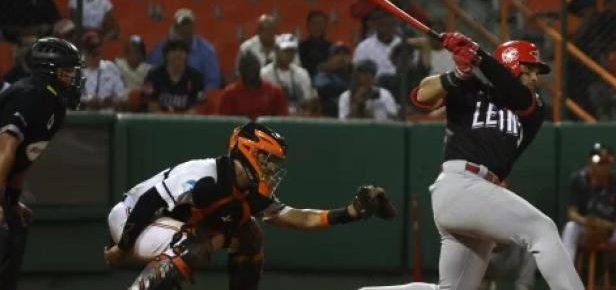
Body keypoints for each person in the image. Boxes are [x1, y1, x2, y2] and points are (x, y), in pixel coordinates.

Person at [359, 36, 585, 290]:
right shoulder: (469, 86)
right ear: (510, 64)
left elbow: (515, 94)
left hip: (480, 192)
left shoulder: (533, 106)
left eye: (536, 72)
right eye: (528, 69)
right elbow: (421, 96)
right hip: (460, 183)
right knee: (542, 229)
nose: (534, 78)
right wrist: (457, 74)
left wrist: (478, 55)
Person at [103, 122, 396, 289]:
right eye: (268, 161)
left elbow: (298, 218)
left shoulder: (251, 191)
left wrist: (350, 213)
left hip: (171, 229)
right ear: (248, 154)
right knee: (194, 245)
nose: (271, 170)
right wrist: (122, 247)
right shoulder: (204, 173)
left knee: (250, 233)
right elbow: (148, 202)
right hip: (132, 218)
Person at [0, 38, 83, 289]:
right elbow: (5, 150)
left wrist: (12, 203)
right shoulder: (30, 95)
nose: (74, 78)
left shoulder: (54, 106)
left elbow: (22, 160)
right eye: (68, 72)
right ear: (51, 70)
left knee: (15, 231)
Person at [561, 143, 616, 290]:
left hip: (611, 230)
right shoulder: (579, 179)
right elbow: (571, 212)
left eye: (606, 162)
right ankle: (565, 282)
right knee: (570, 227)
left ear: (611, 163)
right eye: (598, 161)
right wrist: (587, 222)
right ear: (590, 162)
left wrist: (612, 226)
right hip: (586, 229)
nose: (602, 166)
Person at [147, 8, 221, 91]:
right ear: (175, 28)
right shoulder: (163, 46)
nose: (186, 29)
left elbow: (213, 81)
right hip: (167, 93)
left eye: (188, 24)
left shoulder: (207, 50)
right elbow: (151, 68)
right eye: (182, 25)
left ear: (193, 27)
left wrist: (200, 96)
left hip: (194, 94)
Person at [142, 39, 205, 114]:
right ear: (166, 55)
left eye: (182, 51)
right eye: (174, 50)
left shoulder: (197, 77)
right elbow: (151, 108)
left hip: (186, 123)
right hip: (159, 123)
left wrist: (180, 119)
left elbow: (198, 108)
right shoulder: (151, 76)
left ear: (186, 55)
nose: (178, 54)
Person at [219, 53, 288, 120]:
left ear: (259, 68)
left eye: (254, 66)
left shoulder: (275, 92)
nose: (251, 69)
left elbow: (282, 122)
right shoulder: (229, 94)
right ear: (240, 70)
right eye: (247, 66)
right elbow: (225, 124)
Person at [260, 34, 317, 115]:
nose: (289, 55)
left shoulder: (302, 73)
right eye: (286, 51)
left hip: (298, 117)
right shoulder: (264, 74)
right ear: (276, 50)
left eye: (292, 51)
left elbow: (308, 101)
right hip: (274, 117)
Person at [79, 31, 125, 110]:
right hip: (82, 116)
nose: (97, 49)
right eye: (93, 47)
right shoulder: (76, 70)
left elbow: (122, 96)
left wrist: (110, 101)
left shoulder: (110, 68)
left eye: (99, 45)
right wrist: (87, 101)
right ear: (84, 50)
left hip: (107, 115)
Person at [353, 13, 403, 85]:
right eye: (381, 25)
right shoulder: (364, 46)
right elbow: (357, 71)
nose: (384, 29)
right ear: (375, 26)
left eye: (387, 24)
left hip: (400, 86)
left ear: (394, 24)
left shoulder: (403, 44)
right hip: (374, 86)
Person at [299, 10, 333, 78]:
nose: (317, 26)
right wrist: (320, 67)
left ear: (325, 25)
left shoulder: (331, 47)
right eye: (314, 23)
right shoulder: (301, 48)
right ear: (308, 25)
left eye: (321, 23)